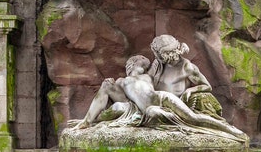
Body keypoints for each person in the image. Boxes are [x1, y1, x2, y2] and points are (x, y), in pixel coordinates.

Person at [75, 54, 246, 142]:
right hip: (147, 109)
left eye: (146, 62)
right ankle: (87, 121)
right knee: (106, 86)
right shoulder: (121, 82)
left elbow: (162, 61)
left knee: (193, 118)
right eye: (141, 62)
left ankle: (231, 131)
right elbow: (120, 101)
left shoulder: (149, 75)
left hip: (162, 99)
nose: (145, 63)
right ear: (131, 64)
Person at [148, 34, 222, 118]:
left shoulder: (187, 67)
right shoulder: (158, 64)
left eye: (159, 54)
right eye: (157, 54)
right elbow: (146, 81)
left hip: (177, 108)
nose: (157, 57)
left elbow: (207, 86)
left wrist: (190, 90)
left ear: (170, 53)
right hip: (158, 105)